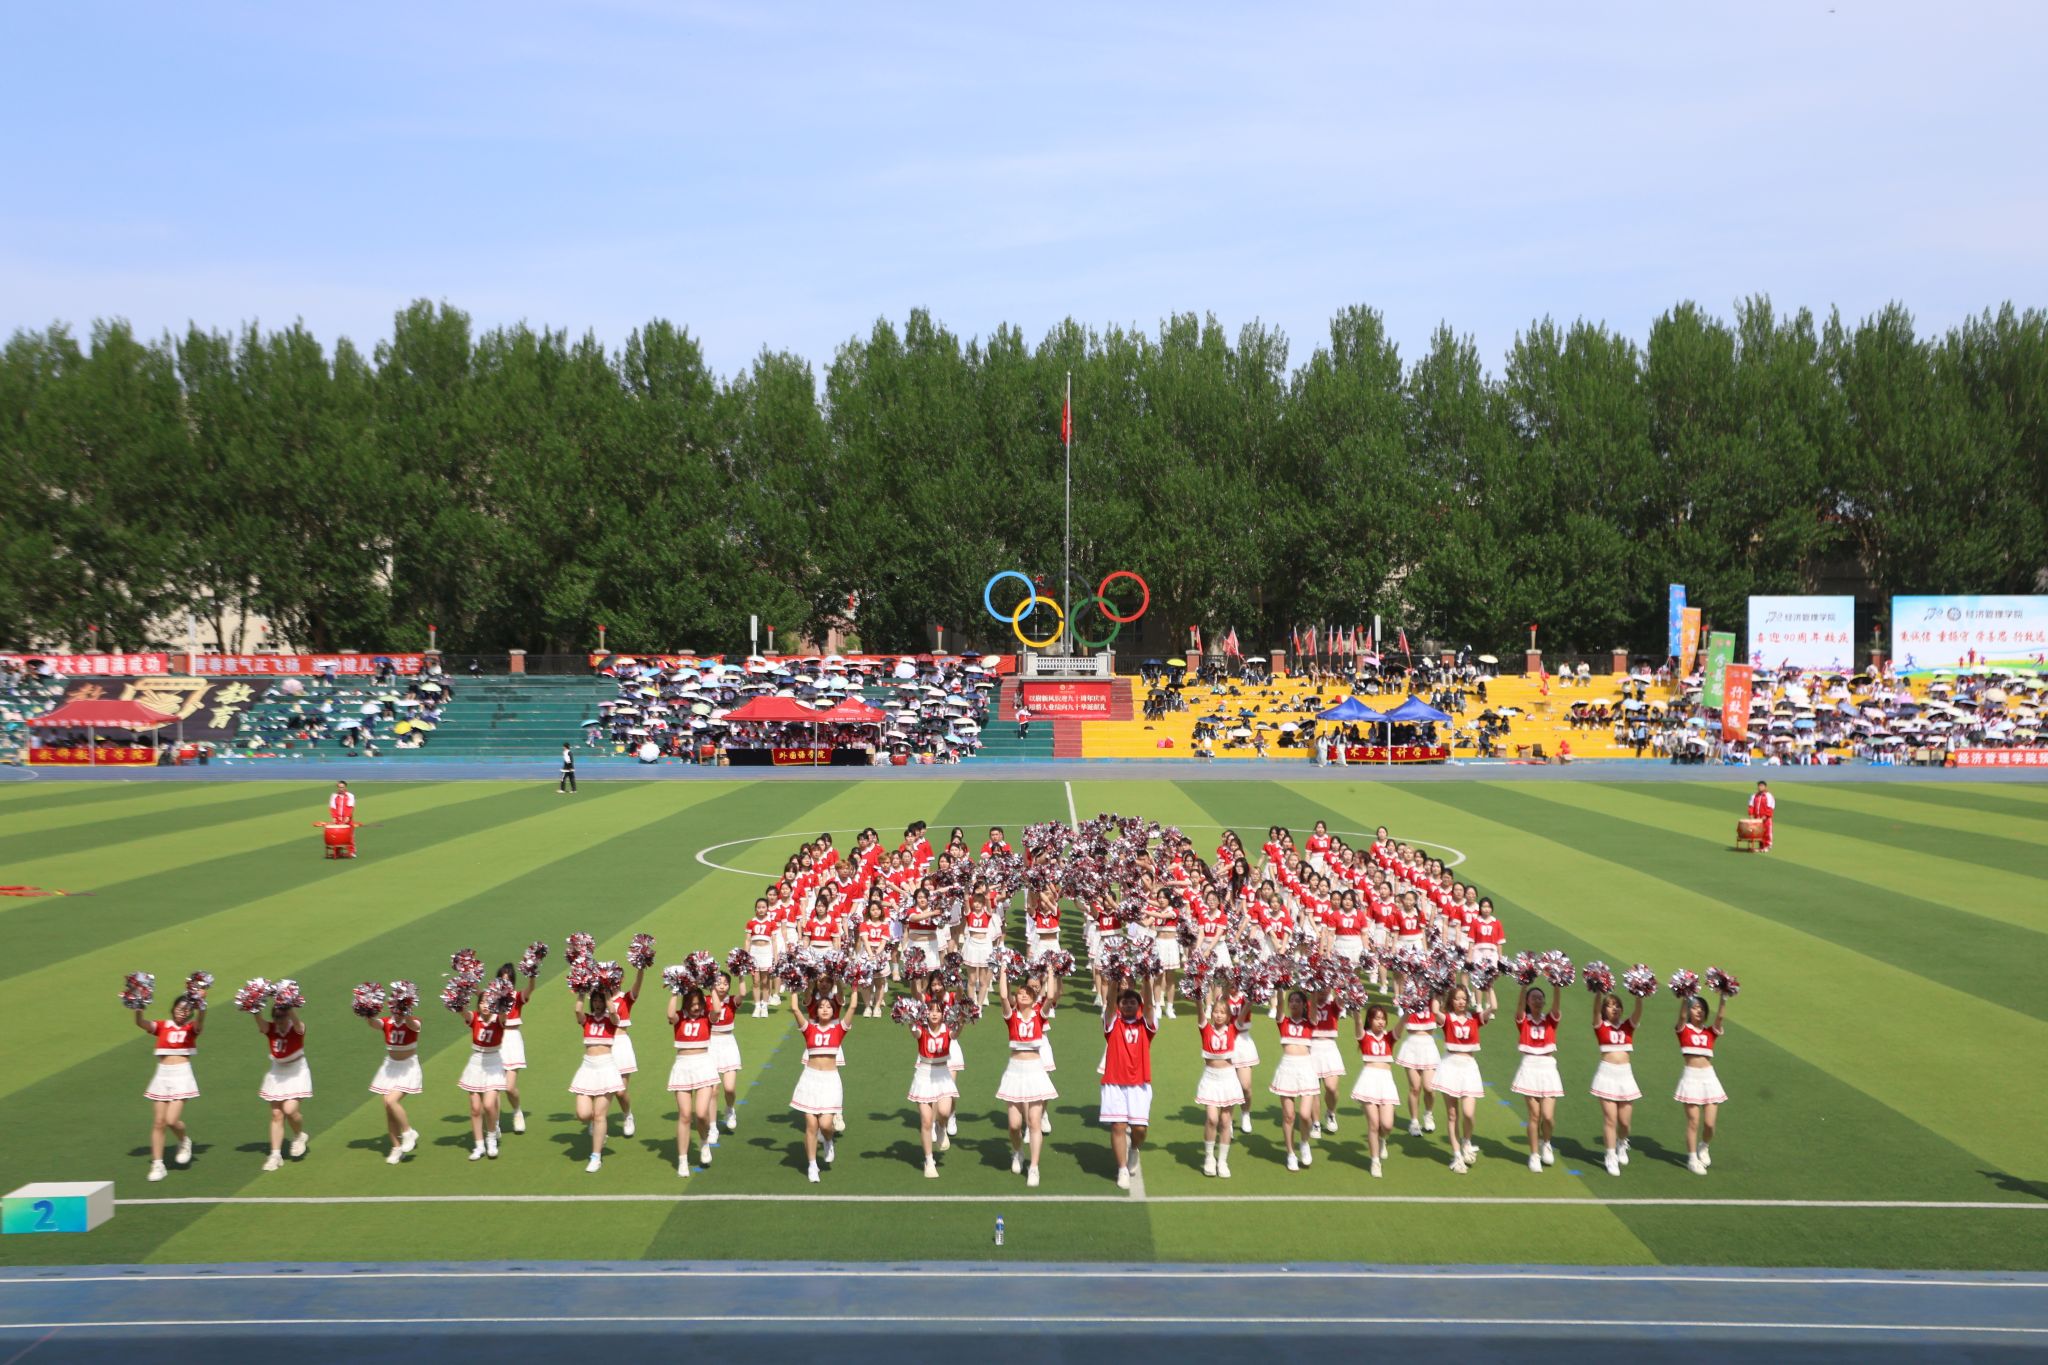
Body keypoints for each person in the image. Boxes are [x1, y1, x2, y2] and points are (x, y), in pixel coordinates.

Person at [995, 971, 1056, 1186]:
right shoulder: (1011, 1016)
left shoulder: (1040, 1014)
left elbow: (1050, 995)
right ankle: (1018, 1151)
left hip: (1035, 1070)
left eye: (1027, 993)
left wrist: (1051, 971)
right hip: (1014, 1070)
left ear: (1033, 998)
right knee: (1014, 1124)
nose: (1022, 995)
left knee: (1034, 1121)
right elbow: (1003, 995)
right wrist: (1003, 968)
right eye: (1020, 993)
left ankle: (1034, 1167)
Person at [136, 993, 203, 1182]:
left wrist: (201, 1005)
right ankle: (158, 1164)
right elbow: (141, 1023)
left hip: (182, 1074)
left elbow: (200, 1021)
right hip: (162, 1074)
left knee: (171, 1120)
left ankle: (184, 1141)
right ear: (173, 1008)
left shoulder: (191, 1028)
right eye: (180, 1008)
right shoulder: (162, 1026)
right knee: (159, 1122)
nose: (183, 1012)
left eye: (187, 1010)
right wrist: (138, 1008)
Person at [1099, 983, 1157, 1189]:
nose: (1128, 1005)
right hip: (1114, 1082)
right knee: (1118, 1126)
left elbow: (1149, 1005)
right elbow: (1109, 1003)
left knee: (1139, 1129)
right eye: (1124, 1002)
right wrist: (1114, 980)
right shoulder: (1112, 1022)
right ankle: (1122, 1169)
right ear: (1119, 1005)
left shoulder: (1146, 1025)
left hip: (1139, 1084)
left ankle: (1134, 1149)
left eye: (1133, 1002)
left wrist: (1147, 976)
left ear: (1138, 1005)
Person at [789, 986, 850, 1183]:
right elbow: (795, 1009)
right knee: (811, 1125)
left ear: (833, 1011)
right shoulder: (809, 1029)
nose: (824, 1009)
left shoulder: (838, 1030)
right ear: (816, 1010)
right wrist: (793, 985)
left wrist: (855, 983)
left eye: (828, 1007)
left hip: (830, 1081)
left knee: (825, 1124)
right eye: (821, 1006)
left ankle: (828, 1140)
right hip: (810, 1079)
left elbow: (852, 1007)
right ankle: (812, 1165)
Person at [1436, 982, 1497, 1173]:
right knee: (1452, 1114)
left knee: (1469, 1113)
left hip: (1469, 1067)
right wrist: (1435, 987)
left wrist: (1489, 985)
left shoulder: (1474, 1018)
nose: (1461, 1002)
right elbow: (1434, 1011)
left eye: (1464, 998)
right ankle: (1456, 1156)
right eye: (1457, 999)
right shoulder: (1447, 1018)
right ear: (1451, 1001)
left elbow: (1494, 1007)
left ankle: (1467, 1141)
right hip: (1450, 1066)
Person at [255, 986, 311, 1170]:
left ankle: (299, 1135)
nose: (279, 1021)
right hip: (277, 1072)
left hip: (296, 1071)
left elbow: (296, 1021)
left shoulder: (297, 1028)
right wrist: (254, 1004)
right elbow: (259, 1020)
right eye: (277, 1018)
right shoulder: (270, 1028)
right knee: (276, 1114)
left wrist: (288, 1004)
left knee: (290, 1109)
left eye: (283, 1017)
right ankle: (275, 1155)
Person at [570, 982, 625, 1172]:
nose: (598, 1004)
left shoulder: (612, 1020)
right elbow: (577, 1010)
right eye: (595, 1001)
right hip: (588, 1067)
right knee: (583, 1114)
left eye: (600, 1001)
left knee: (600, 1114)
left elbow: (613, 1011)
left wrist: (607, 991)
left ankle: (596, 1156)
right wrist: (581, 990)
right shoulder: (587, 1019)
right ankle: (599, 1131)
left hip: (606, 1067)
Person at [1510, 983, 1564, 1173]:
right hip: (1530, 1067)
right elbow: (1518, 1009)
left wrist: (1557, 986)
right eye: (1533, 998)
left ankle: (1546, 1143)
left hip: (1548, 1067)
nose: (1537, 1000)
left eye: (1540, 998)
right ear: (1528, 1001)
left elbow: (1556, 1006)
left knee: (1548, 1117)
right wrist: (1523, 987)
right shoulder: (1523, 1020)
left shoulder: (1550, 1020)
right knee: (1534, 1115)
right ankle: (1534, 1155)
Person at [1591, 990, 1644, 1177]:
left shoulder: (1627, 1026)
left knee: (1624, 1122)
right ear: (1604, 1009)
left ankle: (1622, 1142)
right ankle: (1610, 1156)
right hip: (1606, 1074)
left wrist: (1640, 993)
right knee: (1610, 1119)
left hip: (1625, 1075)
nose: (1614, 1008)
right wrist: (1598, 991)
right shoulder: (1600, 1025)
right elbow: (1595, 1011)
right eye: (1610, 1005)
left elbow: (1638, 1011)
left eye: (1617, 1005)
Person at [1676, 991, 1730, 1175]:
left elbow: (1720, 1017)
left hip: (1709, 1077)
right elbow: (1681, 1016)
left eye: (1701, 1008)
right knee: (1693, 1122)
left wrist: (1724, 997)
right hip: (1691, 1077)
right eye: (1695, 1008)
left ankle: (1704, 1146)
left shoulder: (1710, 1032)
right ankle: (1692, 1159)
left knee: (1709, 1124)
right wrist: (1685, 996)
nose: (1698, 1011)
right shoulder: (1683, 1029)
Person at [666, 987, 718, 1177]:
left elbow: (717, 1010)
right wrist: (675, 990)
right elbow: (670, 1014)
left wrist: (712, 986)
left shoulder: (707, 1017)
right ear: (686, 1004)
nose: (696, 1007)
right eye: (692, 1004)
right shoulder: (679, 1017)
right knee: (685, 1115)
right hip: (682, 1066)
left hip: (703, 1065)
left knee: (702, 1113)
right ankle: (683, 1160)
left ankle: (704, 1142)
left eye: (699, 1004)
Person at [457, 983, 511, 1160]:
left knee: (488, 1105)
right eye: (482, 1002)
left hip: (493, 1063)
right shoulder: (474, 1018)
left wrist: (502, 999)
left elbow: (504, 1014)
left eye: (488, 1002)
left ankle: (491, 1138)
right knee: (475, 1108)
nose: (485, 1005)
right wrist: (459, 994)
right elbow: (462, 1011)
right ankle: (479, 1146)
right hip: (476, 1063)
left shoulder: (499, 1018)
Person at [908, 999, 960, 1178]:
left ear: (943, 1014)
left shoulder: (948, 1029)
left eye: (938, 1011)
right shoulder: (921, 1029)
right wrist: (909, 1018)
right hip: (924, 1075)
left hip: (943, 1074)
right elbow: (913, 1032)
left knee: (944, 1112)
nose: (934, 1014)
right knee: (926, 1120)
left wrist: (963, 1019)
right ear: (926, 1014)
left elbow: (956, 1033)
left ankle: (941, 1126)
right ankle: (929, 1161)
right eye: (931, 1011)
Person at [367, 993, 422, 1165]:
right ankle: (396, 1148)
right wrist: (367, 1012)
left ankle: (408, 1132)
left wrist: (406, 1012)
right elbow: (373, 1023)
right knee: (388, 1107)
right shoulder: (386, 1022)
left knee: (391, 1100)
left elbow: (413, 1025)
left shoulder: (413, 1022)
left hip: (408, 1067)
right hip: (390, 1067)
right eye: (394, 1008)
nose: (397, 1012)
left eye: (400, 1009)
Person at [1268, 990, 1320, 1171]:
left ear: (1304, 1004)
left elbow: (1314, 1004)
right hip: (1287, 1068)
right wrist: (1280, 987)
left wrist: (1315, 986)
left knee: (1305, 1115)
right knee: (1289, 1116)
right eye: (1292, 1001)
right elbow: (1280, 1005)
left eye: (1298, 1001)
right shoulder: (1283, 1021)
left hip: (1306, 1068)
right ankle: (1290, 1153)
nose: (1294, 1003)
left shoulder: (1310, 1022)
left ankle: (1304, 1143)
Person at [1350, 1003, 1400, 1177]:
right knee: (1373, 1124)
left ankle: (1382, 1139)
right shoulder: (1364, 1036)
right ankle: (1375, 1161)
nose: (1380, 1022)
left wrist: (1410, 1010)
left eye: (1383, 1018)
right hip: (1368, 1080)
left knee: (1387, 1125)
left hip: (1386, 1081)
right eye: (1377, 1018)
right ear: (1370, 1020)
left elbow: (1401, 1026)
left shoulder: (1389, 1037)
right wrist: (1355, 1010)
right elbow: (1358, 1024)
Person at [1195, 995, 1243, 1178]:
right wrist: (1197, 996)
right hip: (1210, 1078)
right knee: (1212, 1119)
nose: (1219, 1015)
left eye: (1223, 1012)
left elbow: (1246, 1009)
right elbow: (1199, 1011)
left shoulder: (1233, 1029)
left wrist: (1252, 993)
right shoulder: (1205, 1028)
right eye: (1216, 1011)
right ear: (1211, 1013)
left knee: (1225, 1121)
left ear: (1228, 1016)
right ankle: (1209, 1157)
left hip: (1228, 1078)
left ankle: (1222, 1160)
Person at [490, 964, 530, 1135]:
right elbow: (479, 996)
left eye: (508, 979)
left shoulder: (517, 996)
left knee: (509, 1087)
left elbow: (530, 989)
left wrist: (532, 973)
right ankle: (495, 1124)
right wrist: (468, 978)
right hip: (496, 1040)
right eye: (502, 979)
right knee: (495, 1087)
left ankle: (517, 1111)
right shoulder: (492, 997)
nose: (505, 982)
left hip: (512, 1041)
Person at [706, 971, 743, 1136]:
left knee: (729, 1088)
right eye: (718, 983)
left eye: (725, 983)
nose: (722, 986)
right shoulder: (706, 1000)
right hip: (710, 1044)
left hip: (728, 1044)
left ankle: (730, 1108)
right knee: (713, 1090)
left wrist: (741, 972)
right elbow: (713, 1014)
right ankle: (712, 1127)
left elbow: (743, 993)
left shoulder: (732, 1001)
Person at [1747, 780, 1775, 851]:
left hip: (1766, 818)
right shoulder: (1754, 796)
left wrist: (1766, 816)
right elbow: (1751, 806)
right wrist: (1751, 814)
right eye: (1759, 786)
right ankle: (1761, 846)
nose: (1760, 787)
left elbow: (1771, 807)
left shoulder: (1768, 796)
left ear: (1765, 787)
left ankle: (1767, 846)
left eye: (1762, 786)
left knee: (1767, 832)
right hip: (1757, 818)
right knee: (1759, 833)